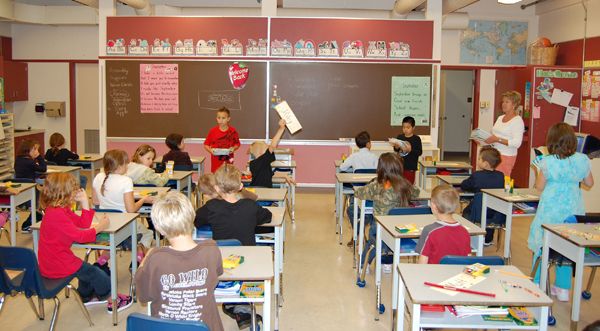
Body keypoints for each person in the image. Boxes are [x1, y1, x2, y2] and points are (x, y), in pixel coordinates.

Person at [37, 172, 132, 314]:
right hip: (57, 263)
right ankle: (112, 300)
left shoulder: (59, 209)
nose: (76, 191)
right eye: (73, 189)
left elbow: (83, 224)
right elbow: (82, 237)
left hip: (56, 259)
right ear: (64, 192)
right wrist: (101, 226)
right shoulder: (57, 214)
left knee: (85, 269)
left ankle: (87, 296)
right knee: (96, 274)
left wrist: (84, 202)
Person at [194, 163, 271, 329]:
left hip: (221, 265)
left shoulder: (211, 207)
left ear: (216, 188)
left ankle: (234, 306)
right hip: (248, 265)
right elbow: (268, 216)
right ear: (241, 186)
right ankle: (240, 308)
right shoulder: (251, 207)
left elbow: (195, 220)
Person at [135, 192, 224, 331]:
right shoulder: (211, 249)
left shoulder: (154, 258)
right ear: (192, 217)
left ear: (159, 229)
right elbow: (217, 274)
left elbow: (144, 295)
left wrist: (146, 258)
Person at [528, 122, 594, 301]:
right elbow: (589, 183)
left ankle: (537, 281)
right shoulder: (583, 159)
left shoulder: (547, 161)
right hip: (573, 207)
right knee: (567, 245)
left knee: (543, 243)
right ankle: (563, 288)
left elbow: (539, 186)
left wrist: (538, 171)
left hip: (551, 208)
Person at [357, 153, 421, 272]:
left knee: (373, 238)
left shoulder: (376, 186)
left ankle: (363, 264)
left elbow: (359, 193)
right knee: (391, 239)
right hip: (400, 228)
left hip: (380, 227)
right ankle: (387, 263)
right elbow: (417, 193)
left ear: (380, 168)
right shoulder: (405, 185)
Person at [91, 150, 154, 268]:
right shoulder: (126, 181)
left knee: (112, 241)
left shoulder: (98, 177)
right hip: (124, 225)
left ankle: (101, 261)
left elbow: (95, 201)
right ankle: (137, 262)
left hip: (105, 223)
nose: (127, 166)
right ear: (119, 167)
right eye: (126, 163)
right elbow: (131, 209)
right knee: (148, 234)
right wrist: (143, 200)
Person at [460, 146, 505, 245]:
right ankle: (488, 239)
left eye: (479, 159)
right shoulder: (501, 175)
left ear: (485, 163)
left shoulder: (477, 175)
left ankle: (467, 236)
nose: (477, 161)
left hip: (477, 212)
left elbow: (465, 185)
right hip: (496, 213)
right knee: (490, 208)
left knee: (467, 211)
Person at [415, 185, 471, 264]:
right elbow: (468, 260)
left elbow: (422, 264)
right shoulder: (464, 232)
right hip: (457, 275)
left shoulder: (429, 231)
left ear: (433, 205)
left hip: (434, 275)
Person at [344, 131, 379, 246]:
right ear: (369, 144)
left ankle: (358, 234)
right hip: (372, 194)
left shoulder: (353, 157)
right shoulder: (374, 157)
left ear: (357, 145)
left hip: (358, 193)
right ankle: (367, 224)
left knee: (352, 209)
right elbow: (379, 173)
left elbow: (343, 167)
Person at [483, 91, 525, 177]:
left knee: (501, 181)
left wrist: (497, 140)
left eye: (507, 102)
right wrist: (484, 139)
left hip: (506, 156)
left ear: (514, 105)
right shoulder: (500, 118)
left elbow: (517, 143)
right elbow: (493, 135)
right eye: (503, 101)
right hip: (494, 154)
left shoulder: (517, 121)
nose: (504, 104)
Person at [248, 118, 296, 188]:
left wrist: (285, 176)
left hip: (256, 190)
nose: (269, 151)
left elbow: (271, 174)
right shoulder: (262, 161)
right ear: (261, 152)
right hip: (263, 192)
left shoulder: (255, 164)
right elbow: (272, 146)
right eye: (267, 150)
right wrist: (281, 129)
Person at [14, 138, 46, 232]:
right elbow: (43, 168)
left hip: (21, 190)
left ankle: (33, 222)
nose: (37, 151)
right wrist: (39, 156)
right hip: (30, 191)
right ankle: (29, 223)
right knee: (45, 199)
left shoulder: (18, 160)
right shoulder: (30, 162)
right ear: (27, 149)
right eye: (35, 149)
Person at [204, 107, 241, 173]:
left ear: (228, 119)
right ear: (216, 118)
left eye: (223, 118)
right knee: (216, 181)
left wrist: (233, 149)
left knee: (227, 180)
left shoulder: (233, 131)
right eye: (219, 118)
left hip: (228, 164)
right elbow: (206, 144)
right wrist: (210, 150)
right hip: (216, 165)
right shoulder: (212, 131)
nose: (221, 120)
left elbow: (237, 144)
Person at [392, 116, 422, 185]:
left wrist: (410, 150)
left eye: (408, 127)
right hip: (400, 166)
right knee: (399, 184)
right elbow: (396, 150)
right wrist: (396, 147)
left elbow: (419, 152)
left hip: (410, 166)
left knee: (408, 185)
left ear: (413, 128)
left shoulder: (416, 139)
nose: (406, 129)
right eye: (404, 127)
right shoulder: (400, 137)